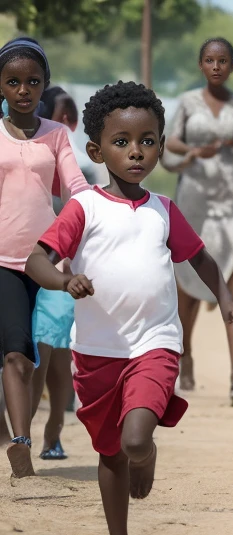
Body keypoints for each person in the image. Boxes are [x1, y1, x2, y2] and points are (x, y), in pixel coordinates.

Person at [24, 81, 233, 535]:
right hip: (95, 352)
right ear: (96, 148)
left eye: (147, 142)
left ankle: (144, 454)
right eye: (121, 142)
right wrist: (65, 280)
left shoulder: (164, 211)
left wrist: (226, 298)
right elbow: (37, 260)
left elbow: (201, 258)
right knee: (110, 454)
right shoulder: (83, 207)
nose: (136, 152)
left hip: (156, 344)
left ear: (162, 147)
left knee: (132, 441)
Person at [0, 37, 90, 478]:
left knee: (46, 352)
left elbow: (76, 187)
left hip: (48, 260)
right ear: (1, 85)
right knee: (16, 352)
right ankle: (21, 443)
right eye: (13, 81)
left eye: (32, 82)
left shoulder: (57, 136)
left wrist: (94, 213)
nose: (23, 89)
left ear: (44, 85)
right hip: (3, 262)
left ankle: (39, 425)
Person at [164, 37, 233, 403]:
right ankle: (184, 354)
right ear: (201, 64)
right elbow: (170, 142)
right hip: (194, 199)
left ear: (232, 66)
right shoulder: (188, 102)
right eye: (210, 60)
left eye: (223, 61)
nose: (217, 66)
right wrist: (193, 150)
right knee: (187, 279)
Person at [30, 87, 97, 461]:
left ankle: (52, 431)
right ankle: (24, 432)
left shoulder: (77, 174)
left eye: (71, 119)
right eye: (62, 117)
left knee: (56, 359)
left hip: (58, 273)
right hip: (22, 265)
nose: (66, 126)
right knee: (35, 355)